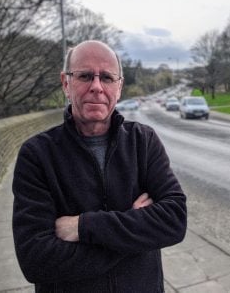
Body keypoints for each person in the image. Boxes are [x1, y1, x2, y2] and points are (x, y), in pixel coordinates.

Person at [12, 40, 187, 292]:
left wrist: (83, 227)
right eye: (84, 76)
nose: (96, 86)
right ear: (65, 83)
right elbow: (36, 260)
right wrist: (135, 234)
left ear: (119, 87)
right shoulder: (38, 155)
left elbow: (175, 220)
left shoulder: (143, 141)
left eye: (106, 77)